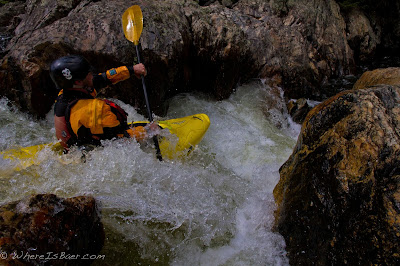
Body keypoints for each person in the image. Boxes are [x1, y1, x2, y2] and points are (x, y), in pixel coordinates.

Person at [50, 55, 159, 152]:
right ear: (78, 82)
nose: (92, 74)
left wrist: (132, 70)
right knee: (155, 129)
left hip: (75, 146)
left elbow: (104, 78)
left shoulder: (66, 93)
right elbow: (119, 139)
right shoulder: (93, 111)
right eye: (89, 73)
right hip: (96, 152)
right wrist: (148, 131)